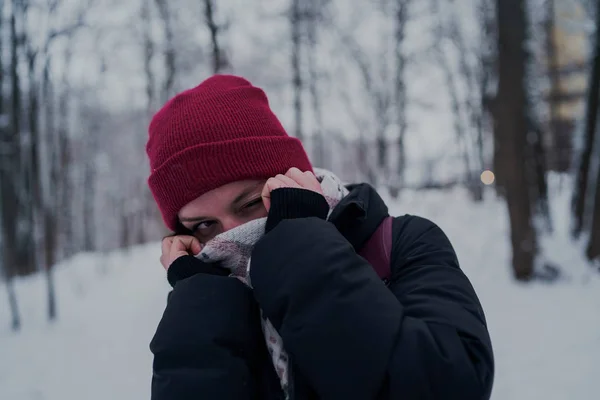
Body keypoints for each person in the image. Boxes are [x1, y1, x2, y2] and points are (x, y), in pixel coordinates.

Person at [146, 74, 494, 400]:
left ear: (295, 179)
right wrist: (202, 302)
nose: (230, 234)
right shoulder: (210, 292)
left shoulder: (402, 242)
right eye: (204, 225)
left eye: (252, 203)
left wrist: (298, 247)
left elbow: (454, 383)